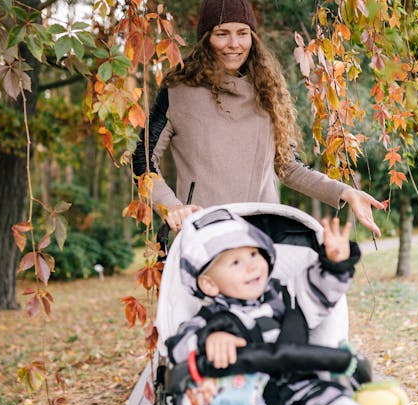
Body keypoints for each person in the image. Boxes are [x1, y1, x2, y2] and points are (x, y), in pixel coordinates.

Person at [131, 0, 386, 235]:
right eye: (222, 34)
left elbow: (289, 167)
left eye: (242, 33)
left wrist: (345, 192)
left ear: (252, 37)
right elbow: (142, 157)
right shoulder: (179, 89)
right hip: (205, 235)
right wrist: (172, 207)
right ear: (206, 38)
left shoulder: (268, 89)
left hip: (264, 234)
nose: (234, 44)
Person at [164, 207, 387, 405]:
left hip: (299, 385)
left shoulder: (287, 296)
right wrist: (209, 340)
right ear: (209, 284)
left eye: (253, 254)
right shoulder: (209, 319)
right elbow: (178, 346)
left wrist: (335, 264)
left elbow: (317, 291)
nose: (251, 266)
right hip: (239, 400)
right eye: (236, 262)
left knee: (332, 401)